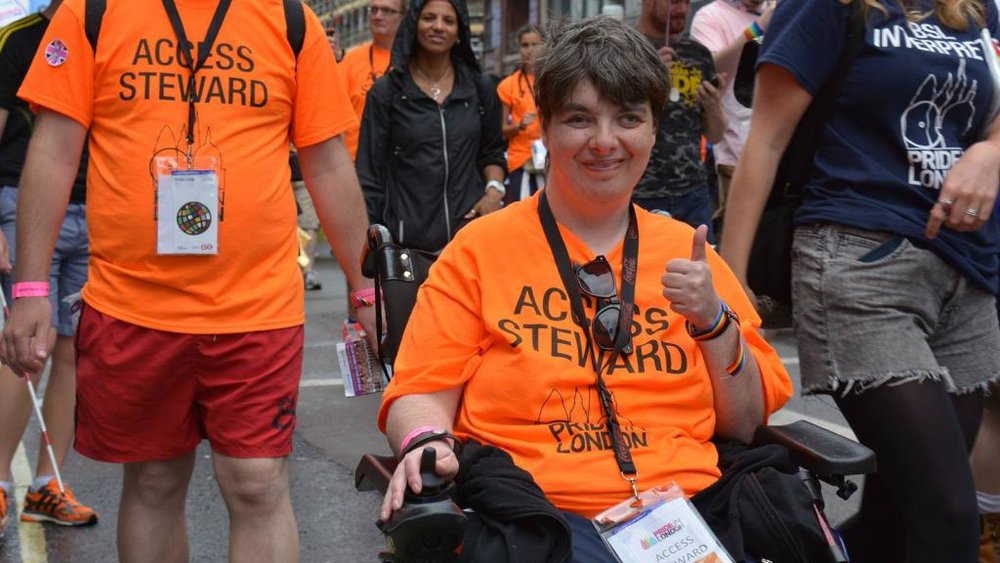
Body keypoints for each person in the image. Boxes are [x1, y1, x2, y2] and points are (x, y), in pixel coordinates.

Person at [377, 16, 792, 561]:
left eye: (628, 118)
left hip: (688, 514)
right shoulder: (480, 250)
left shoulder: (688, 253)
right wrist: (424, 442)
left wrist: (713, 322)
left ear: (653, 128)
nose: (605, 142)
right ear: (545, 127)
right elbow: (422, 389)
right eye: (579, 118)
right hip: (535, 515)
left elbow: (744, 422)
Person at [1, 0, 376, 561]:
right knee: (153, 482)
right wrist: (31, 288)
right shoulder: (92, 12)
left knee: (257, 482)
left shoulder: (290, 20)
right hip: (132, 305)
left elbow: (325, 160)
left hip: (259, 307)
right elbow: (54, 150)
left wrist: (365, 288)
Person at [719, 0, 1000, 560]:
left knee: (902, 507)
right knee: (949, 513)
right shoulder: (825, 7)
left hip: (966, 272)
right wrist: (731, 280)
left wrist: (991, 150)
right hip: (860, 265)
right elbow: (766, 143)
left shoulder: (975, 10)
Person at [0, 0, 98, 532]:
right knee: (24, 349)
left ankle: (48, 485)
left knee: (73, 352)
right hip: (26, 204)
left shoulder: (107, 28)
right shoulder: (19, 39)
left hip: (98, 209)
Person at [357, 0, 507, 254]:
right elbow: (369, 174)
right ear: (414, 23)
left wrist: (494, 192)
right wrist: (374, 242)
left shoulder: (480, 88)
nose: (438, 26)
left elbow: (492, 152)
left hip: (470, 240)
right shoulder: (387, 92)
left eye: (448, 21)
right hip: (407, 245)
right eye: (429, 18)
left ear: (460, 32)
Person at [632, 0, 728, 244]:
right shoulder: (624, 48)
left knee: (700, 268)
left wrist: (714, 105)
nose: (683, 10)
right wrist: (648, 79)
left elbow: (715, 134)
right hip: (637, 192)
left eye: (686, 2)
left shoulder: (697, 55)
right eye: (674, 1)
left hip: (692, 192)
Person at [690, 0, 775, 235]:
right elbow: (708, 69)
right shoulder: (711, 16)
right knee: (736, 240)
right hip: (734, 157)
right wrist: (756, 29)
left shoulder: (780, 10)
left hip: (780, 158)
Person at [340, 0, 406, 161]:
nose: (378, 16)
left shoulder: (414, 62)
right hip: (356, 167)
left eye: (387, 11)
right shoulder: (350, 61)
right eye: (374, 10)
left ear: (403, 18)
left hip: (401, 170)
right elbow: (335, 120)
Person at [496, 24, 545, 206]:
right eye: (525, 45)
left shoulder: (554, 80)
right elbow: (500, 131)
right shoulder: (508, 85)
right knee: (524, 213)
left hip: (550, 160)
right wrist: (519, 126)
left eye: (535, 44)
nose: (530, 50)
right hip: (520, 161)